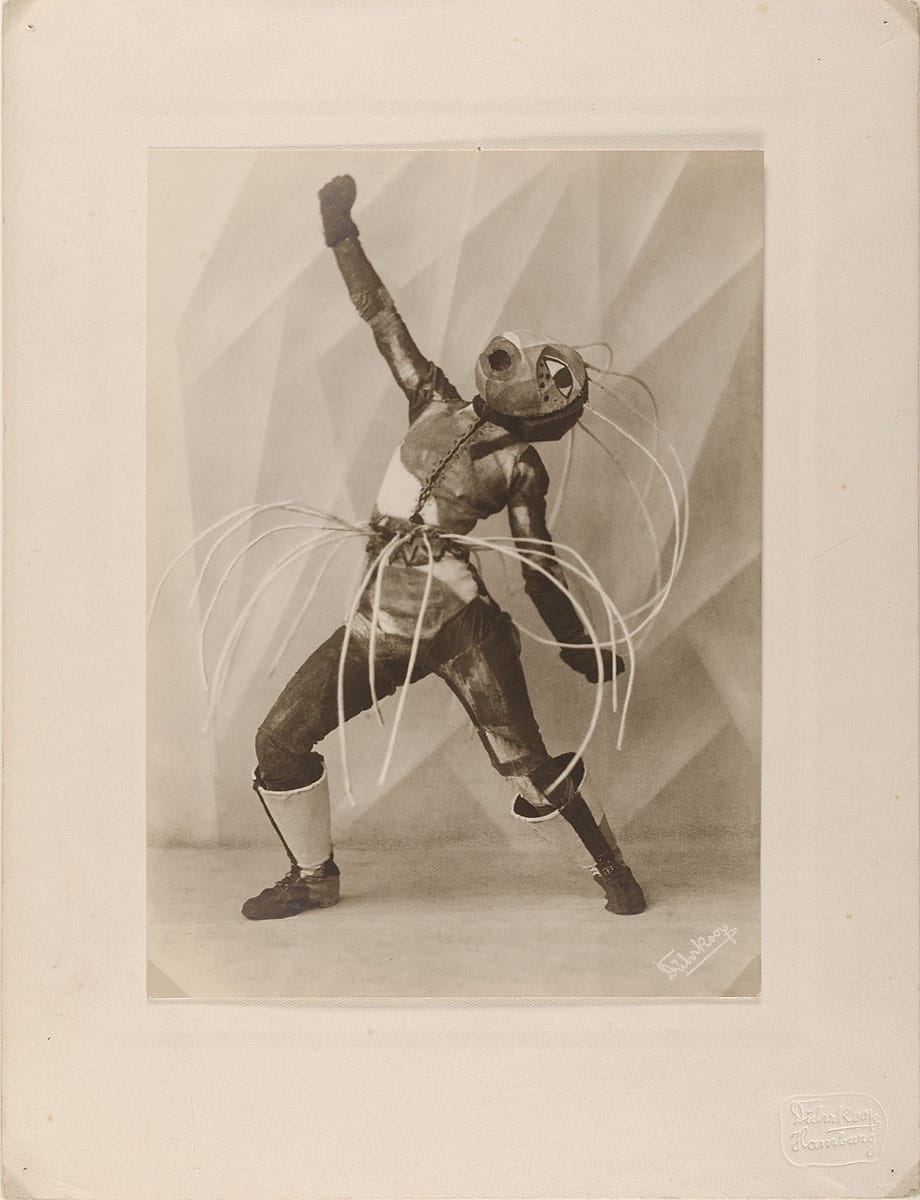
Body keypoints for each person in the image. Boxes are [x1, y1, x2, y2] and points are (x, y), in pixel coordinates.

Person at [242, 174, 646, 921]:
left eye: (541, 377)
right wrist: (341, 234)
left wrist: (578, 645)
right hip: (378, 622)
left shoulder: (522, 466)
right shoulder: (430, 397)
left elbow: (541, 567)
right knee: (278, 740)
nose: (517, 370)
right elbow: (380, 315)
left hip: (461, 625)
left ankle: (609, 863)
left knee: (526, 765)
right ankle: (312, 876)